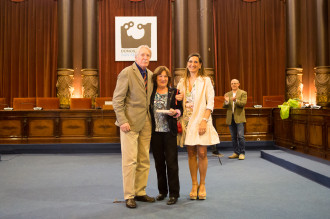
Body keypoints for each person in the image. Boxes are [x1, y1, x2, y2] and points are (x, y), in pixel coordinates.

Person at [112, 45, 155, 209]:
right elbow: (117, 100)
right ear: (136, 57)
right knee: (130, 161)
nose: (145, 57)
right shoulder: (127, 73)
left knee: (144, 159)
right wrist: (122, 120)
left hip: (146, 123)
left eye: (148, 55)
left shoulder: (150, 75)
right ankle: (129, 195)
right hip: (128, 124)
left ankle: (140, 191)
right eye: (143, 55)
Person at [176, 53, 220, 200]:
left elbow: (210, 103)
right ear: (187, 64)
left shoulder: (206, 80)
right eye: (190, 61)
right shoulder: (181, 82)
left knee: (202, 153)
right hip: (187, 121)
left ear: (200, 65)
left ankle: (202, 184)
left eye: (196, 62)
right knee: (191, 154)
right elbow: (177, 103)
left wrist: (204, 121)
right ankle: (194, 184)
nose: (192, 64)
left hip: (201, 120)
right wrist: (177, 99)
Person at [150, 66, 183, 205]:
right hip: (155, 132)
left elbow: (180, 109)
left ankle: (174, 193)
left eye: (165, 76)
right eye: (160, 76)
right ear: (156, 78)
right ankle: (162, 192)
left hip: (169, 132)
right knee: (159, 163)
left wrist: (175, 112)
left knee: (172, 163)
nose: (163, 79)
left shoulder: (175, 92)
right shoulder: (150, 92)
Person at [223, 79, 247, 160]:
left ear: (238, 84)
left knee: (240, 136)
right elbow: (224, 106)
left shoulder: (243, 93)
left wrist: (235, 100)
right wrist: (226, 102)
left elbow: (243, 103)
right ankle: (236, 152)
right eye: (232, 83)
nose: (233, 85)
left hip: (239, 117)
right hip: (230, 118)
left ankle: (242, 153)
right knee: (233, 137)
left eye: (235, 83)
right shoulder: (227, 94)